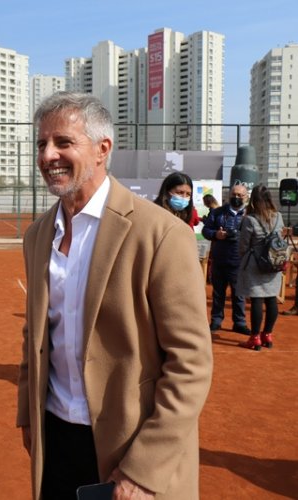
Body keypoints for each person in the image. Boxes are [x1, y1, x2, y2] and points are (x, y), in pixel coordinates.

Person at [17, 92, 212, 500]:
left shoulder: (160, 234)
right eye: (41, 144)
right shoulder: (37, 235)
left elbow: (190, 364)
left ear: (103, 148)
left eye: (63, 142)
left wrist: (144, 469)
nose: (48, 155)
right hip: (55, 439)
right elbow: (34, 336)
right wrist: (28, 418)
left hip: (129, 449)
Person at [235, 184, 285, 350]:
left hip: (255, 264)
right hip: (274, 263)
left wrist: (245, 258)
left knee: (257, 299)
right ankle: (267, 335)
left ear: (253, 201)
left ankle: (255, 338)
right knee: (271, 299)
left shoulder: (250, 219)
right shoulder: (278, 216)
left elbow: (243, 245)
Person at [202, 184, 251, 335]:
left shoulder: (249, 215)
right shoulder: (217, 213)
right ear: (229, 195)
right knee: (218, 294)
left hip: (239, 261)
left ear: (246, 197)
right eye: (234, 194)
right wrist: (216, 234)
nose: (236, 197)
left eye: (240, 195)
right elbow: (206, 230)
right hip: (219, 259)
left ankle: (239, 323)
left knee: (239, 294)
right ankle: (216, 321)